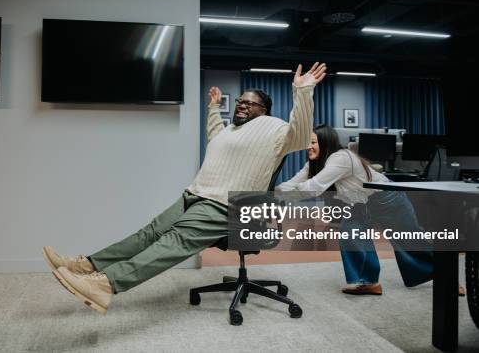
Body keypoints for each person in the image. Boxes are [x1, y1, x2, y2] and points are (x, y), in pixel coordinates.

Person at [42, 62, 327, 314]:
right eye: (239, 100)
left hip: (226, 205)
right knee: (150, 233)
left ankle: (105, 285)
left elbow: (301, 134)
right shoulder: (231, 129)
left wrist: (303, 92)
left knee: (173, 243)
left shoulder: (275, 129)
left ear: (263, 109)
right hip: (194, 194)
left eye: (249, 103)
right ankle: (86, 265)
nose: (241, 104)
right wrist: (214, 107)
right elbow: (214, 137)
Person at [276, 124, 464, 296]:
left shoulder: (340, 157)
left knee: (410, 239)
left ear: (326, 142)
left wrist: (283, 197)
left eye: (313, 142)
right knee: (351, 235)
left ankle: (448, 280)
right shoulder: (315, 162)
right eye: (307, 142)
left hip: (386, 198)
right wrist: (272, 194)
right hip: (359, 203)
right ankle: (368, 282)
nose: (308, 146)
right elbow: (294, 182)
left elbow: (314, 187)